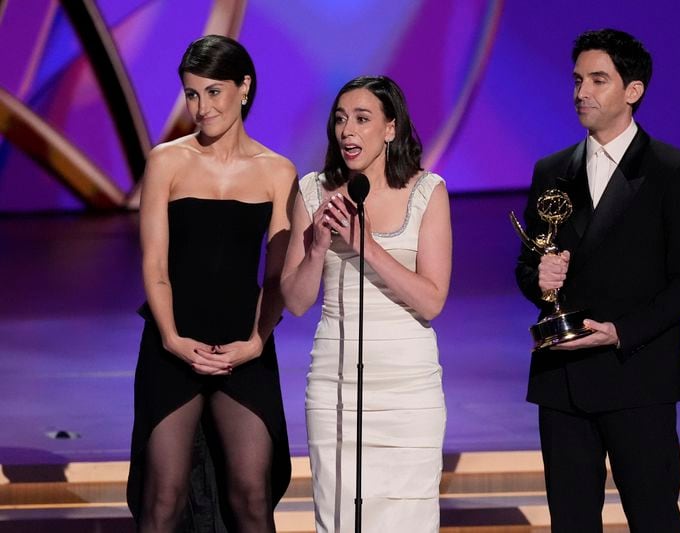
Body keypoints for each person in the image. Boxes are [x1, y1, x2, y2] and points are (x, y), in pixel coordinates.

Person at [515, 29, 680, 532]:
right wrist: (539, 280)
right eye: (578, 79)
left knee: (653, 518)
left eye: (598, 80)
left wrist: (622, 330)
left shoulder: (674, 171)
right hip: (562, 382)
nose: (581, 92)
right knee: (572, 523)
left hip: (638, 376)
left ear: (633, 90)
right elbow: (527, 267)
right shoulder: (552, 171)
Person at [127, 35, 295, 532]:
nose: (201, 108)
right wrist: (173, 339)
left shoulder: (277, 171)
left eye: (214, 92)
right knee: (164, 499)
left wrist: (255, 343)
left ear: (244, 88)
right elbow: (155, 265)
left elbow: (277, 277)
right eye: (192, 94)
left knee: (250, 496)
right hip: (172, 342)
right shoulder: (166, 161)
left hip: (243, 346)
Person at [281, 75, 451, 532]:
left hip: (408, 389)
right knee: (337, 518)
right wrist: (317, 247)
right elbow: (295, 302)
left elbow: (432, 301)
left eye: (362, 119)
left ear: (391, 129)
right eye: (340, 120)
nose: (347, 131)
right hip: (335, 383)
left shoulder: (427, 192)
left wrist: (367, 246)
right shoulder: (313, 191)